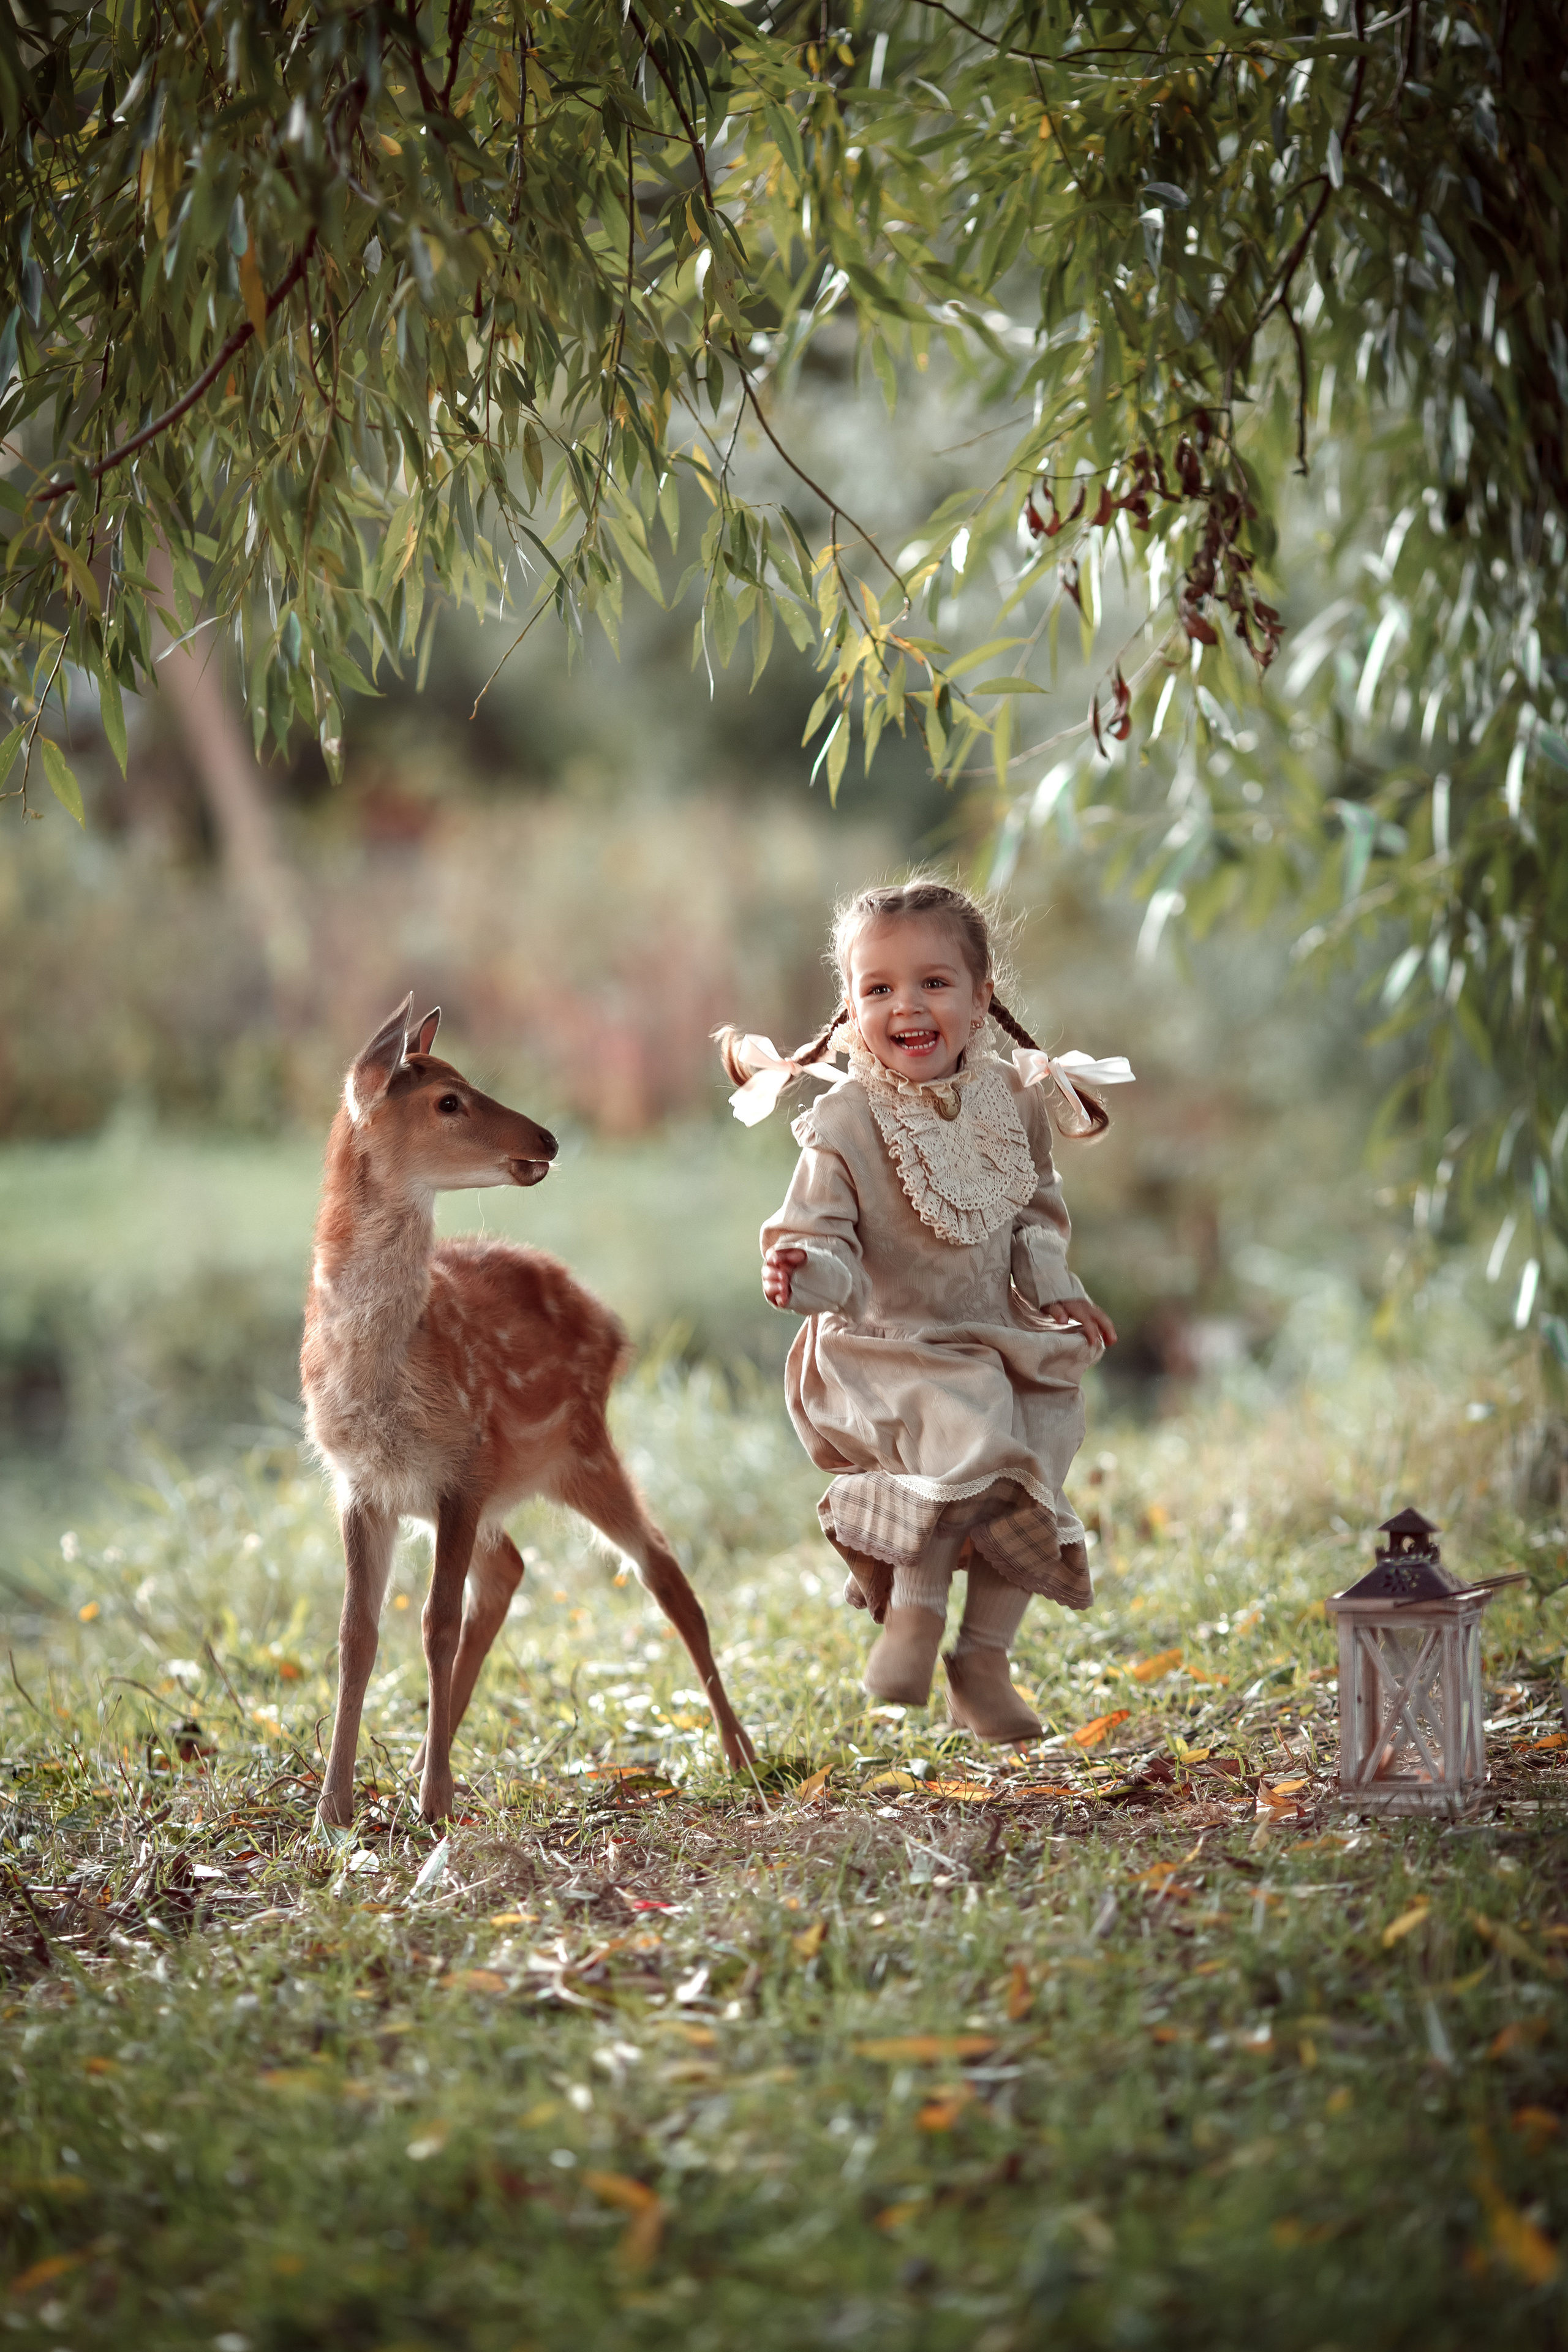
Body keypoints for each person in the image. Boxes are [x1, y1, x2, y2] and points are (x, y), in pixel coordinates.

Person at [716, 878, 1131, 1744]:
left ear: (982, 999)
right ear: (849, 1005)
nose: (906, 1005)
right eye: (878, 989)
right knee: (970, 1425)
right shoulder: (845, 1118)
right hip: (888, 1344)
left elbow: (1033, 1211)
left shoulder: (1015, 1100)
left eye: (934, 983)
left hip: (995, 1329)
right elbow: (824, 1239)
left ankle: (983, 1658)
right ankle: (916, 1614)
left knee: (1030, 1467)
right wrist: (804, 1274)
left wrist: (1057, 1286)